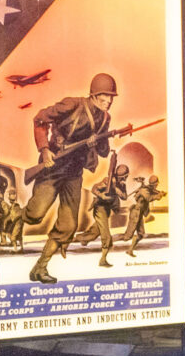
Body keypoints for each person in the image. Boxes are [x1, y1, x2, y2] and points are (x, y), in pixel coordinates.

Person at [22, 74, 118, 284]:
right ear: (94, 94)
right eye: (105, 96)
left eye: (111, 97)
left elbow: (103, 152)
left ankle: (40, 268)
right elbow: (40, 119)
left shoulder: (105, 118)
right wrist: (44, 150)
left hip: (74, 172)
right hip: (53, 166)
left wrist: (97, 142)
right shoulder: (72, 104)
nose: (109, 101)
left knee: (68, 225)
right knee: (35, 214)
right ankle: (15, 218)